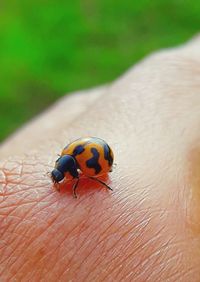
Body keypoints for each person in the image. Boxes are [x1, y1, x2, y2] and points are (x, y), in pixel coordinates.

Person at [0, 36, 200, 281]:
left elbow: (81, 175)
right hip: (93, 152)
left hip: (99, 156)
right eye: (58, 174)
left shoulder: (75, 167)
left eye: (59, 174)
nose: (58, 177)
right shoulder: (68, 158)